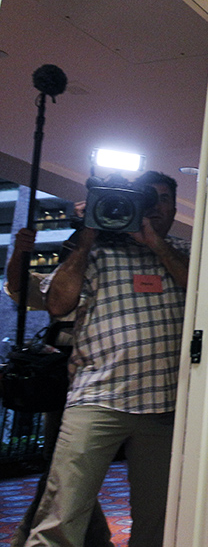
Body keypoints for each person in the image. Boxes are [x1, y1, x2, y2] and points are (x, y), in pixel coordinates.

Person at [25, 171, 190, 547]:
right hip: (96, 400)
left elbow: (198, 287)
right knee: (62, 513)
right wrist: (86, 238)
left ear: (175, 207)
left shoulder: (185, 251)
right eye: (147, 197)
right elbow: (57, 303)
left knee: (157, 522)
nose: (155, 205)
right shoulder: (96, 252)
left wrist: (156, 245)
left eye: (163, 198)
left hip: (164, 406)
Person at [4, 227, 113, 547]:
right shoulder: (60, 284)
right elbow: (19, 286)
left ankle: (36, 535)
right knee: (62, 469)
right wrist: (21, 253)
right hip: (62, 390)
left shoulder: (111, 285)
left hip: (103, 387)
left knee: (66, 472)